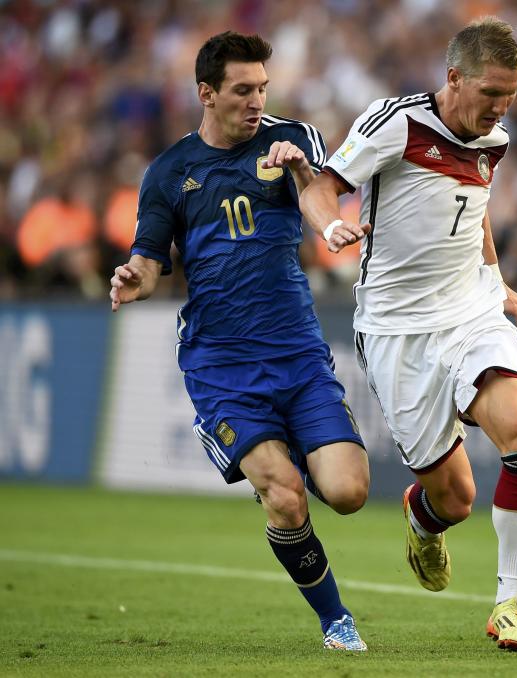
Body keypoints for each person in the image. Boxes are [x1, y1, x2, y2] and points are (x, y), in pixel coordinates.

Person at [108, 31, 369, 652]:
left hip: (296, 350)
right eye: (243, 90)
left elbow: (313, 193)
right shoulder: (170, 173)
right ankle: (336, 620)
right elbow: (148, 262)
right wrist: (131, 279)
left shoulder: (292, 140)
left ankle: (295, 458)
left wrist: (326, 216)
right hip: (221, 361)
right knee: (284, 495)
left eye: (263, 89)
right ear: (207, 93)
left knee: (349, 493)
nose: (257, 101)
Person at [300, 16, 517, 652]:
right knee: (456, 497)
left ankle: (511, 605)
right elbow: (322, 188)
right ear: (453, 78)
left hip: (470, 313)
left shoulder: (494, 140)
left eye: (511, 97)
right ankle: (422, 516)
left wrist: (497, 286)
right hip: (396, 330)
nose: (499, 109)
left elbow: (477, 209)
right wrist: (331, 228)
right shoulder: (398, 123)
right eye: (490, 93)